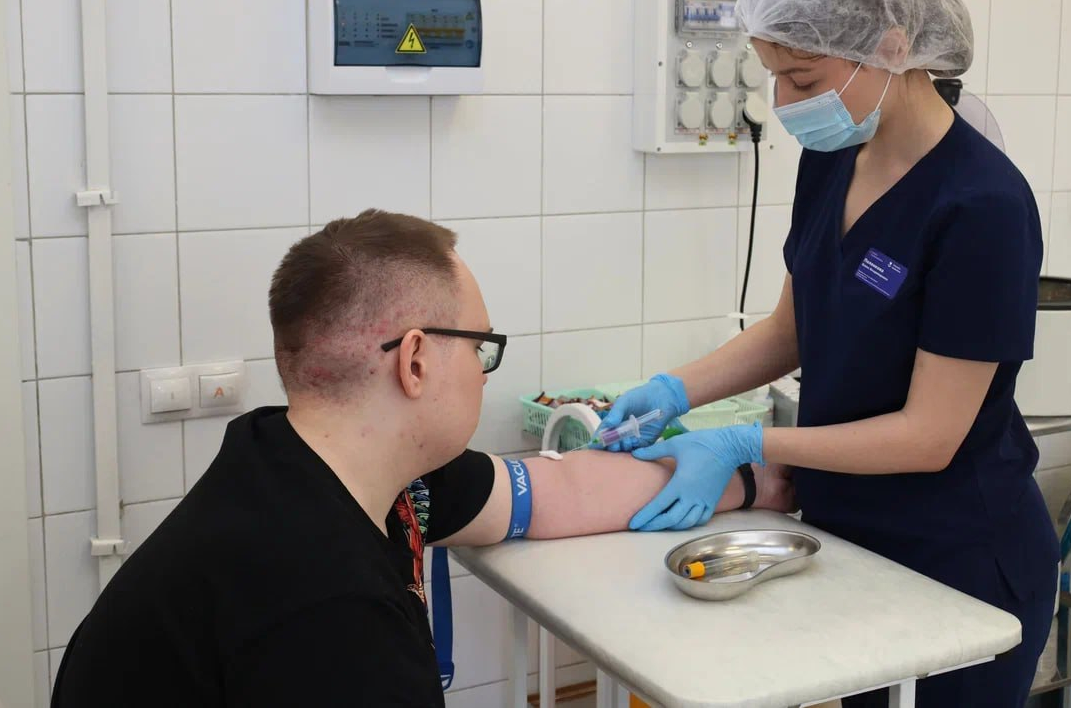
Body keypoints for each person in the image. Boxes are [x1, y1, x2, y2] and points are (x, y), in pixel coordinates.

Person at [50, 210, 791, 707]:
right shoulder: (330, 613)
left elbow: (558, 491)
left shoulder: (323, 463)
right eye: (481, 349)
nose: (484, 373)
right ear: (414, 362)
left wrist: (750, 476)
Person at [596, 0, 1059, 707]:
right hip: (850, 538)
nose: (782, 102)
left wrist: (747, 440)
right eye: (773, 75)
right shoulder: (831, 159)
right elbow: (793, 329)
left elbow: (929, 434)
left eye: (802, 78)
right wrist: (675, 389)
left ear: (892, 46)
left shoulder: (983, 205)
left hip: (960, 559)